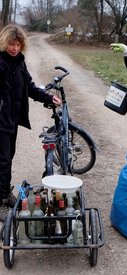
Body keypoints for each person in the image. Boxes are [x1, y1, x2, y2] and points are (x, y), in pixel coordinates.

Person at [0, 24, 62, 221]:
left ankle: (3, 192)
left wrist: (48, 97)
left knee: (8, 156)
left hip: (11, 119)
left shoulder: (19, 62)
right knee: (2, 160)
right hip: (0, 119)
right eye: (11, 44)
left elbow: (30, 87)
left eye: (18, 44)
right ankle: (1, 199)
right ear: (4, 43)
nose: (14, 48)